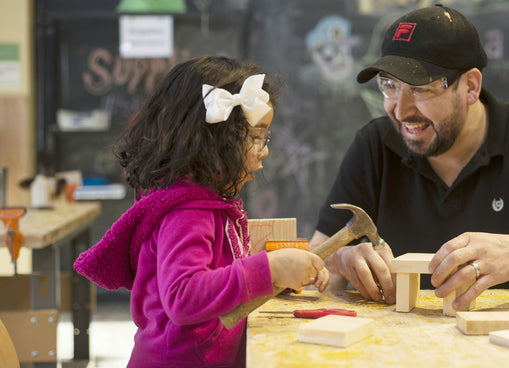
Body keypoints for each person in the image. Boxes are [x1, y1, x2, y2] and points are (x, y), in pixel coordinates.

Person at [309, 4, 509, 311]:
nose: (401, 109)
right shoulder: (374, 145)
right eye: (390, 86)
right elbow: (312, 259)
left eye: (420, 89)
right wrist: (340, 259)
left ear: (471, 87)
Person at [74, 55, 329, 368]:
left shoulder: (210, 205)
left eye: (266, 136)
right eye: (256, 136)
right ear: (214, 139)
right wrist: (269, 269)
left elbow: (217, 278)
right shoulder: (187, 212)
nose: (265, 150)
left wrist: (278, 275)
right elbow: (183, 295)